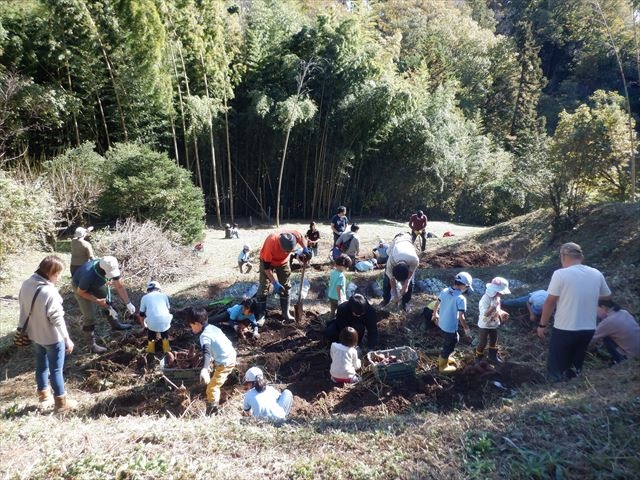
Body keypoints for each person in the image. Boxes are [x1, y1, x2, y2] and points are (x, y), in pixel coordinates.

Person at [537, 242, 611, 382]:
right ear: (580, 256)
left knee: (556, 366)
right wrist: (593, 299)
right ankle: (572, 386)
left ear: (563, 256)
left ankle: (554, 391)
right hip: (588, 329)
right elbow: (607, 296)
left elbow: (550, 301)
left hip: (565, 328)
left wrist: (542, 325)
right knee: (576, 363)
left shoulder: (560, 274)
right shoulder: (596, 273)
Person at [18, 255, 77, 412]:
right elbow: (57, 319)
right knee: (56, 370)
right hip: (52, 338)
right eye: (58, 274)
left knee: (41, 365)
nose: (58, 277)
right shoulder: (50, 292)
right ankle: (61, 403)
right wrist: (67, 338)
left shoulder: (26, 284)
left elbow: (22, 306)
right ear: (52, 272)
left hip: (34, 334)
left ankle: (44, 396)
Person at [72, 256, 136, 353]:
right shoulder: (88, 275)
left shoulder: (110, 265)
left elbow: (119, 286)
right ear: (102, 270)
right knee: (89, 316)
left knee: (108, 301)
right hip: (80, 288)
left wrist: (128, 303)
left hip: (97, 283)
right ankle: (91, 345)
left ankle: (116, 325)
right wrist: (97, 300)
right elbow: (81, 292)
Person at [185, 307, 237, 415]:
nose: (191, 328)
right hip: (231, 355)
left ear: (197, 324)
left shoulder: (204, 336)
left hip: (225, 362)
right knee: (217, 374)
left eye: (191, 325)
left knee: (212, 387)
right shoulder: (213, 328)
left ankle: (213, 411)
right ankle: (232, 378)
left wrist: (204, 368)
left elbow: (206, 352)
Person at [256, 230, 310, 324]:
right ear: (280, 245)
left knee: (286, 285)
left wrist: (305, 248)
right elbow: (267, 269)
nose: (288, 252)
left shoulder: (294, 235)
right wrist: (275, 283)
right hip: (268, 262)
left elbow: (301, 238)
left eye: (290, 251)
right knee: (264, 285)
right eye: (286, 251)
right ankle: (261, 315)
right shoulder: (271, 242)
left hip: (283, 262)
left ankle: (286, 313)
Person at [432, 272, 473, 373]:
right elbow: (461, 317)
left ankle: (445, 357)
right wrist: (467, 330)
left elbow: (437, 302)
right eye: (467, 286)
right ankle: (443, 366)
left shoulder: (445, 290)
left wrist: (434, 314)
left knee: (453, 340)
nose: (466, 288)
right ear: (463, 285)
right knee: (450, 344)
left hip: (442, 323)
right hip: (450, 327)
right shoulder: (460, 298)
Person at [475, 277, 511, 364]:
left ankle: (492, 356)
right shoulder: (485, 299)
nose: (501, 295)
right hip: (484, 324)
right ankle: (478, 357)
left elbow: (497, 309)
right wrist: (493, 307)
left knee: (494, 339)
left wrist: (502, 313)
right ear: (494, 291)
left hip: (493, 323)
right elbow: (485, 314)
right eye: (500, 293)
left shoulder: (496, 298)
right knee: (483, 341)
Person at [380, 233, 419, 312]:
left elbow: (410, 274)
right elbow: (391, 279)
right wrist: (395, 295)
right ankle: (386, 299)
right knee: (387, 280)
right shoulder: (391, 262)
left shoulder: (414, 260)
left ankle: (406, 302)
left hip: (407, 241)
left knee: (410, 283)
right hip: (397, 242)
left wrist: (406, 284)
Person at [139, 281, 173, 354]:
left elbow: (141, 314)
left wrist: (144, 326)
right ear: (159, 289)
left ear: (148, 290)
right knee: (164, 332)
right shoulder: (164, 296)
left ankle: (151, 349)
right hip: (165, 321)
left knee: (151, 333)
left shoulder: (144, 298)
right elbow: (168, 309)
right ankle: (166, 348)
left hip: (152, 323)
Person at [328, 254, 351, 319]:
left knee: (332, 310)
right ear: (342, 266)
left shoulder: (332, 272)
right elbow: (338, 288)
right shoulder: (341, 276)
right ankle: (338, 322)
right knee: (341, 312)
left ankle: (330, 321)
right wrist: (340, 299)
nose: (347, 268)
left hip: (331, 296)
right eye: (346, 267)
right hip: (338, 298)